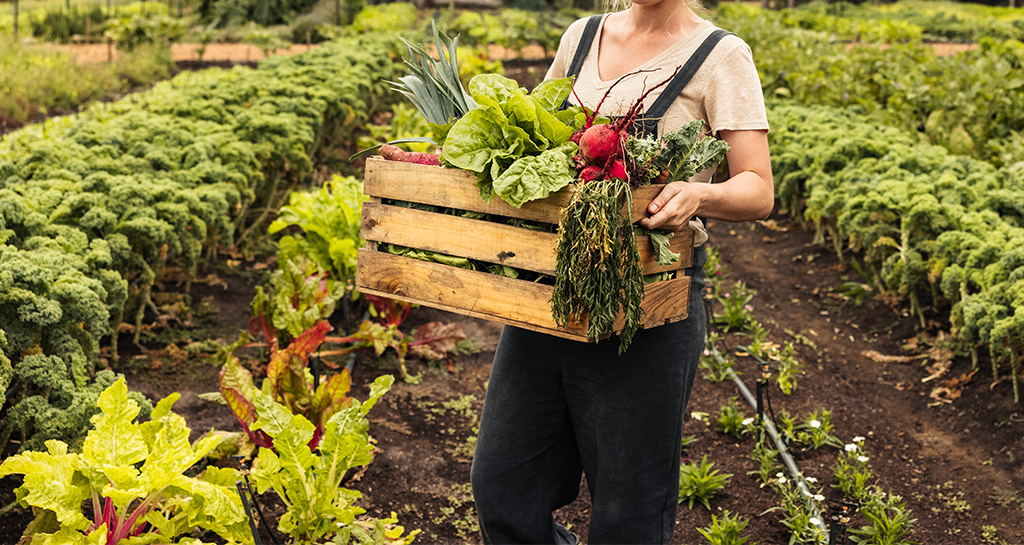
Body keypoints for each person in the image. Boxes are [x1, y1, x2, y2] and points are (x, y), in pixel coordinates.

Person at [470, 0, 774, 542]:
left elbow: (757, 187)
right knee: (503, 486)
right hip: (551, 288)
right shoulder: (581, 37)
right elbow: (538, 138)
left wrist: (700, 193)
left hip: (648, 299)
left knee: (628, 511)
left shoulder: (720, 55)